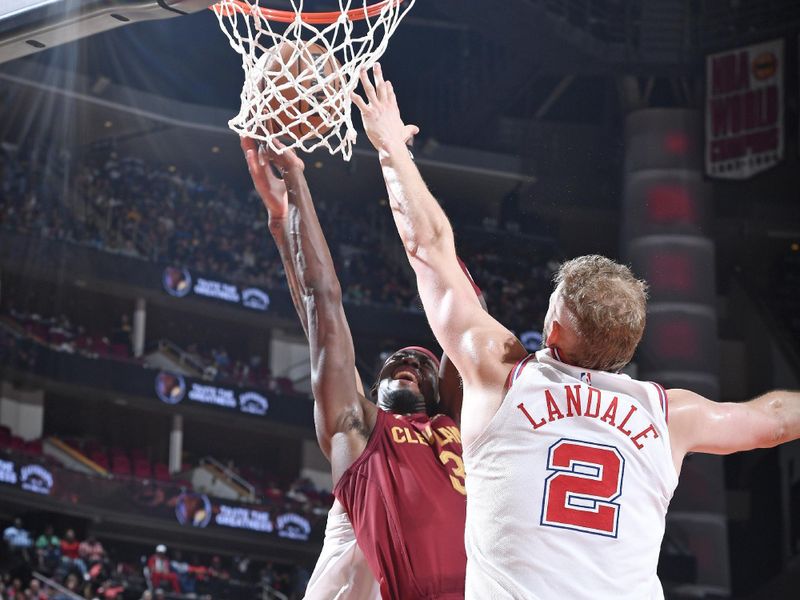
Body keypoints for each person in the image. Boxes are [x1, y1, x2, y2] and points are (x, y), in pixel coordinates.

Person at [352, 63, 800, 599]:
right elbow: (773, 420)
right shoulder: (669, 414)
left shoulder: (502, 376)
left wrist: (390, 148)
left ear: (555, 335)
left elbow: (430, 248)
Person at [242, 136, 470, 599]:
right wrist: (292, 198)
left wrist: (398, 160)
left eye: (420, 364)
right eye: (394, 365)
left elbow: (466, 310)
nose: (406, 362)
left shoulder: (462, 428)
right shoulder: (360, 426)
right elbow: (321, 307)